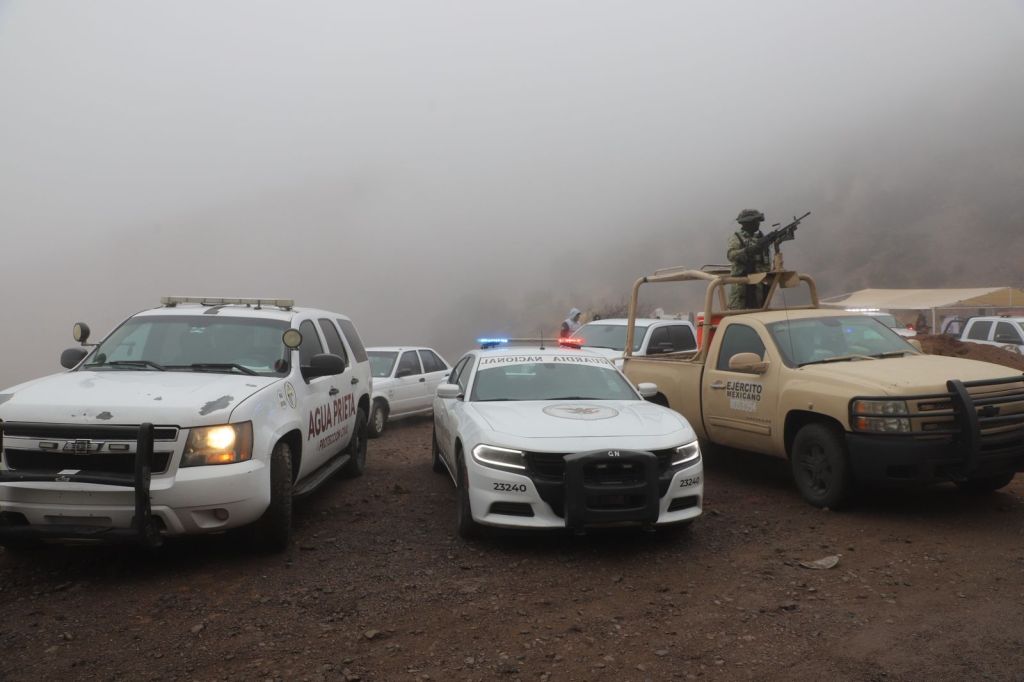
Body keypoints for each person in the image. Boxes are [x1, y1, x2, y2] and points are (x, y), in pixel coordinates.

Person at [726, 208, 772, 310]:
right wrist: (747, 251)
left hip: (760, 284)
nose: (758, 224)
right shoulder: (737, 237)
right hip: (742, 285)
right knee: (739, 313)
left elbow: (766, 262)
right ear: (747, 223)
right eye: (755, 221)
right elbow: (731, 255)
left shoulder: (761, 237)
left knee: (760, 312)